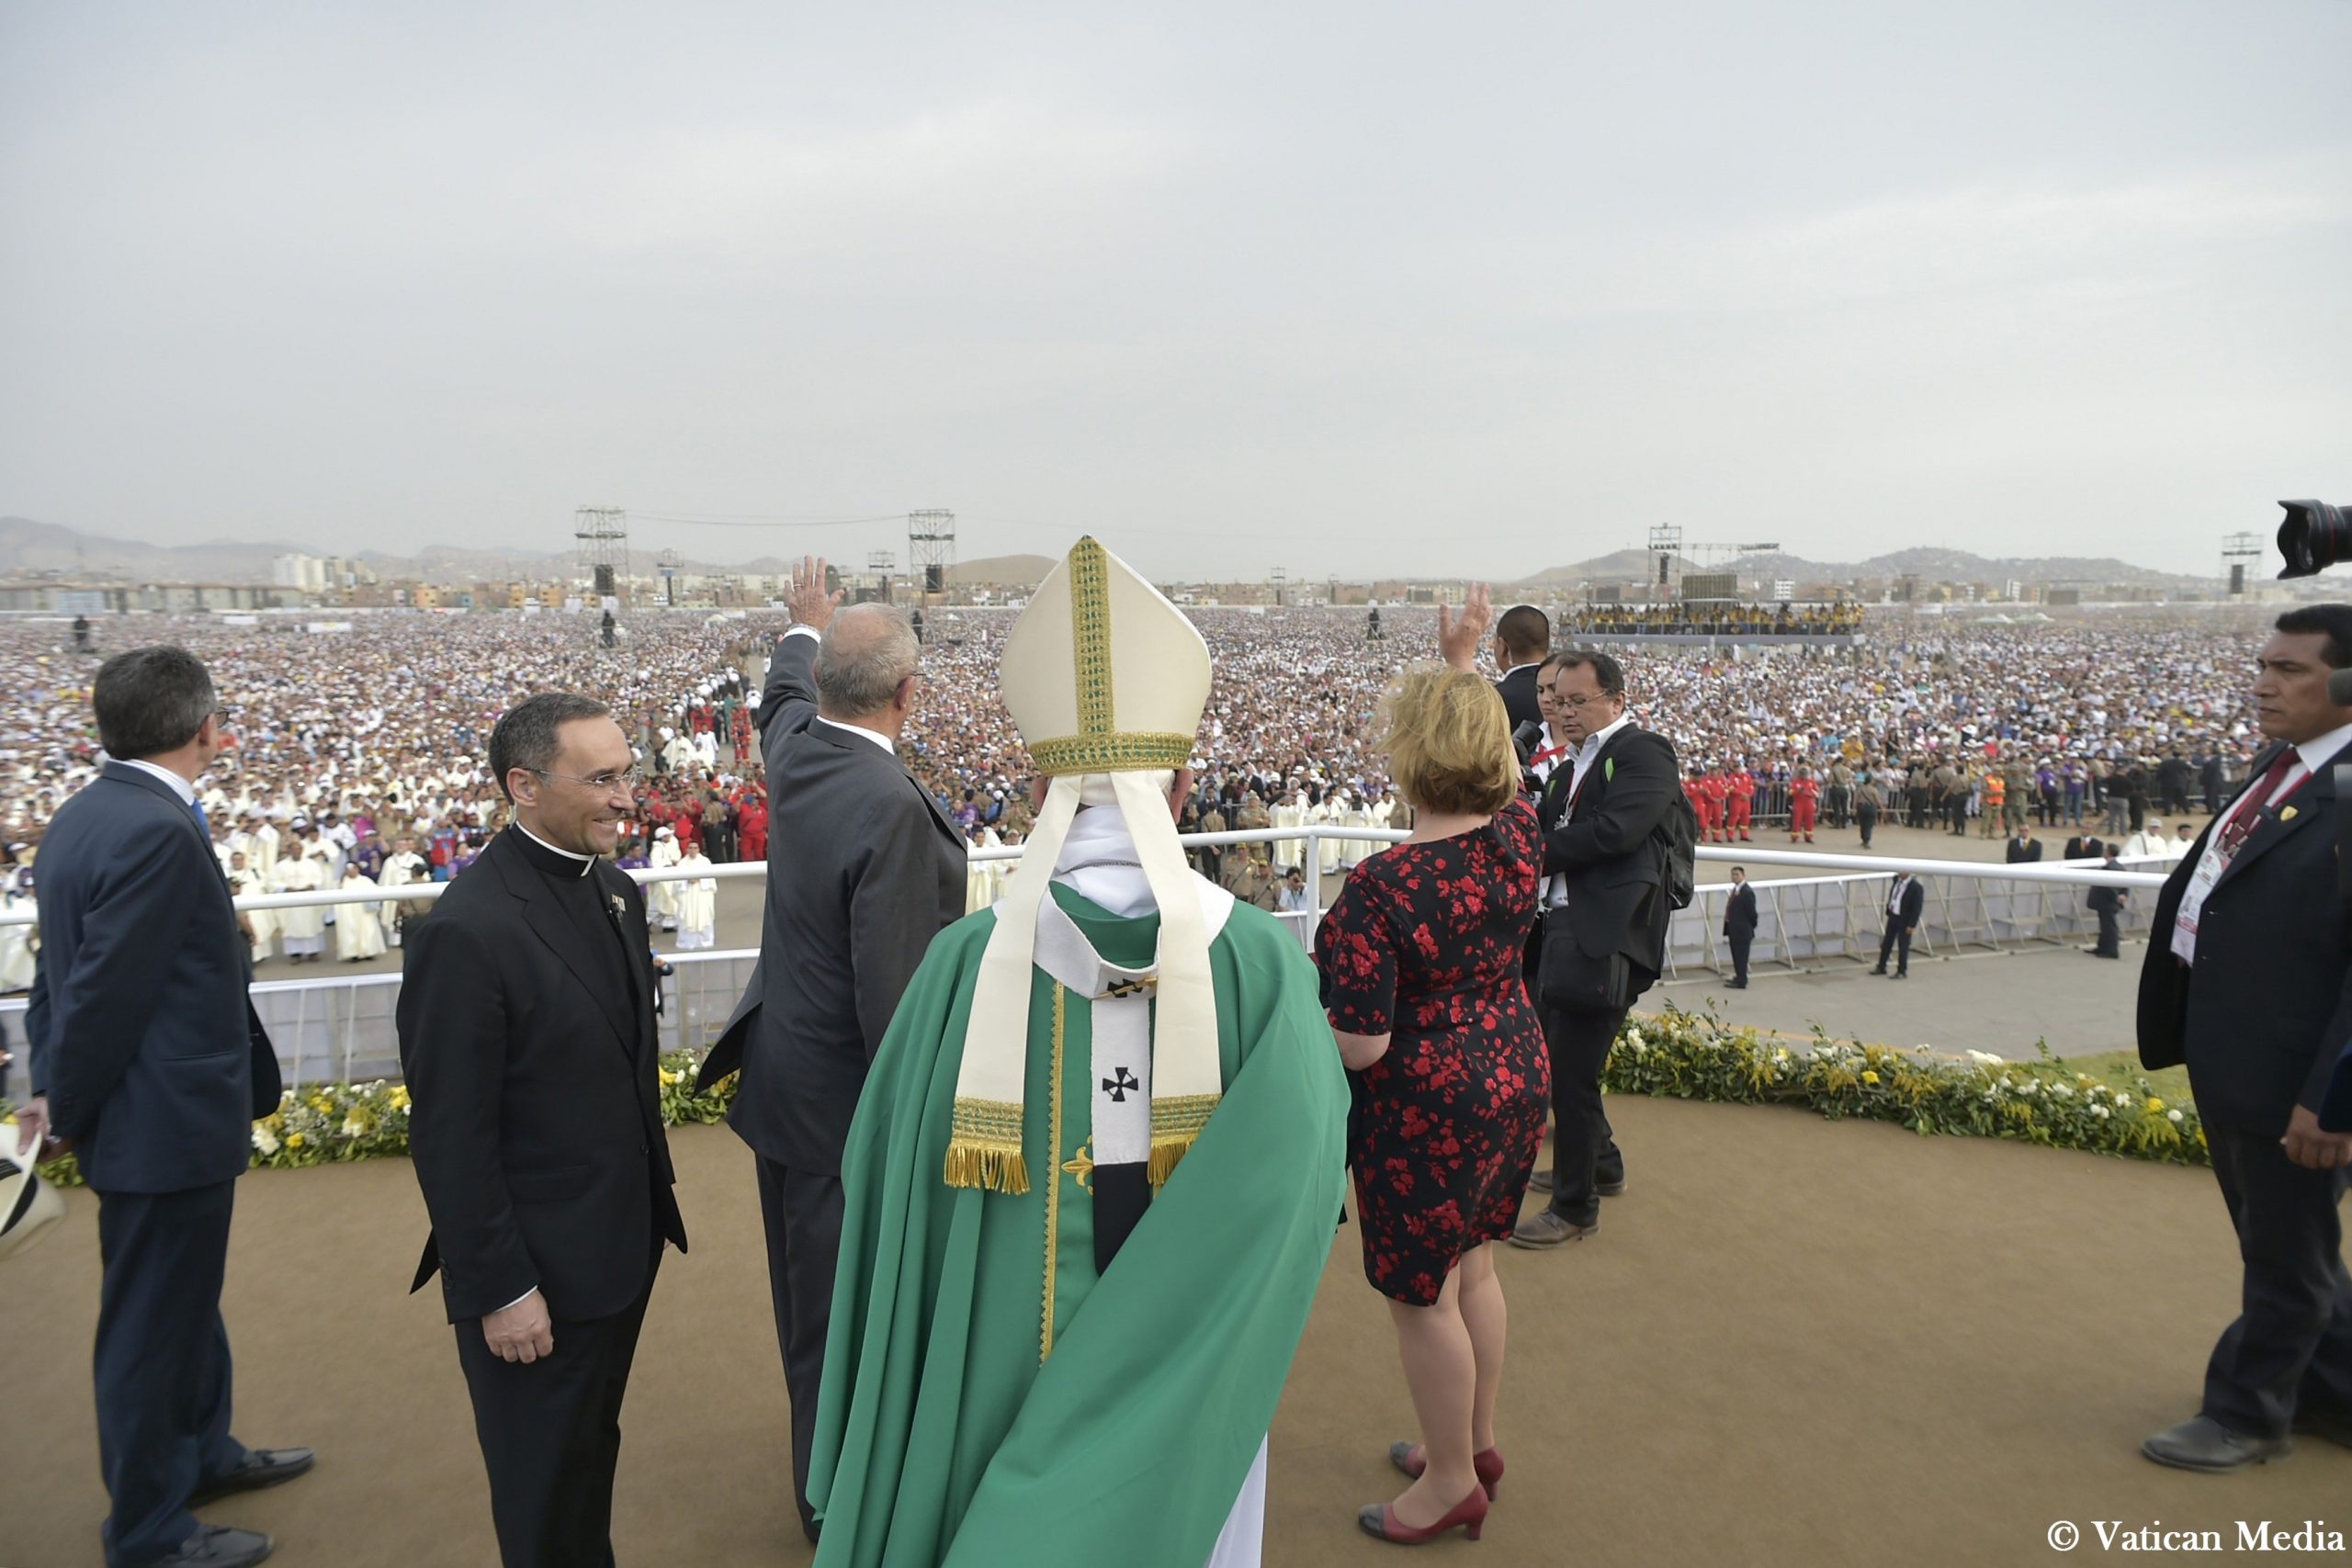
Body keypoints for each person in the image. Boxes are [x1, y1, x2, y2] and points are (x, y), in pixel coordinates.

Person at [805, 537, 1348, 1565]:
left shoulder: (965, 966)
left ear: (1043, 785)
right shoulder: (1263, 971)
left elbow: (877, 1171)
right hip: (1190, 1363)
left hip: (991, 1352)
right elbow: (1306, 1187)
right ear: (1180, 785)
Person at [695, 558, 966, 1544]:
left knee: (810, 1305)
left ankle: (832, 1473)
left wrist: (803, 628)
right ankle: (833, 1501)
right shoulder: (887, 804)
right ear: (907, 694)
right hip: (847, 1111)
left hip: (788, 1086)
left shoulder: (797, 750)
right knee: (840, 1313)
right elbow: (890, 996)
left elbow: (779, 697)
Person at [20, 646, 305, 1568]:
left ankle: (203, 1453)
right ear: (203, 730)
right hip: (157, 1119)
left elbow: (55, 978)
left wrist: (51, 1087)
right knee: (149, 1327)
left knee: (185, 1304)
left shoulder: (85, 815)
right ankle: (148, 1529)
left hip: (148, 1115)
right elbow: (104, 993)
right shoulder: (152, 827)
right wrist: (64, 1107)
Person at [396, 692, 688, 1565]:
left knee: (588, 1457)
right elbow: (451, 1133)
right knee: (543, 1489)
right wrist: (500, 1286)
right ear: (523, 785)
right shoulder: (467, 929)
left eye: (628, 775)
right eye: (599, 779)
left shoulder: (616, 892)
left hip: (617, 1250)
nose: (625, 798)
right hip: (536, 1279)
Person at [1315, 663, 1546, 1544]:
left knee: (1424, 1299)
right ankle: (1475, 1442)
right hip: (1514, 1070)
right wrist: (1461, 670)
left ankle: (1451, 1479)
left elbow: (1361, 1043)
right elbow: (1476, 754)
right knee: (1477, 1266)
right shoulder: (1521, 835)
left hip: (1426, 1106)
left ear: (1407, 759)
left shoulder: (1379, 888)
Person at [2135, 606, 2352, 1472]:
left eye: (2292, 669)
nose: (2264, 682)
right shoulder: (2289, 765)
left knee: (2285, 1257)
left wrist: (2334, 1098)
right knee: (2283, 1245)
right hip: (2240, 1053)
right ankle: (2333, 1389)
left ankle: (2248, 1413)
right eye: (2264, 663)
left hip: (2302, 1076)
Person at [1503, 646, 1679, 1249]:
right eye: (1557, 699)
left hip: (1603, 936)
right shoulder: (1574, 763)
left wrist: (1532, 851)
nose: (1563, 710)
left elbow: (1615, 832)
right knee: (1565, 1066)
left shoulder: (1642, 752)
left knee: (1570, 1073)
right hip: (1564, 931)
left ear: (1617, 700)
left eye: (1579, 700)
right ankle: (1602, 1166)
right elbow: (1545, 824)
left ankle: (1576, 1207)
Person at [1872, 870, 1925, 978]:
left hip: (1905, 919)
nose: (1900, 872)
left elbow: (1917, 908)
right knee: (1887, 942)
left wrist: (1912, 924)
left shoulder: (1916, 887)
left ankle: (1902, 971)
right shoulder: (1896, 880)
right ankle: (1881, 966)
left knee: (1903, 945)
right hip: (1893, 915)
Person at [673, 842, 718, 949]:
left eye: (695, 848)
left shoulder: (705, 862)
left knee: (704, 915)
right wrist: (687, 880)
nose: (693, 850)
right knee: (687, 915)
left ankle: (705, 940)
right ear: (687, 849)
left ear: (698, 849)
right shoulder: (682, 863)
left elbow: (711, 878)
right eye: (690, 848)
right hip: (687, 893)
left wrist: (700, 879)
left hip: (702, 893)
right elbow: (676, 881)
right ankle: (687, 942)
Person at [2086, 850, 2125, 958]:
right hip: (2110, 902)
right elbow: (2126, 882)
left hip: (2107, 902)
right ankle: (2102, 947)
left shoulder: (2109, 867)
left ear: (2109, 853)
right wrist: (2123, 894)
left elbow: (2109, 885)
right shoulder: (2120, 866)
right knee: (2105, 926)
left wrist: (2116, 897)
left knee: (2109, 927)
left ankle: (2111, 951)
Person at [1723, 866, 1758, 987]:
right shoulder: (1736, 890)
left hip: (1742, 931)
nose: (1734, 877)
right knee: (1737, 956)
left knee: (1741, 957)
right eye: (1732, 875)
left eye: (1737, 874)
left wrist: (1749, 926)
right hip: (1735, 930)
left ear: (1743, 875)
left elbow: (1752, 913)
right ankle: (1739, 977)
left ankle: (1742, 980)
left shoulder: (1746, 892)